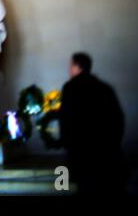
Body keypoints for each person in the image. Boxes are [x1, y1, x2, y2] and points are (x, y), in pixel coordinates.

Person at [59, 53, 129, 195]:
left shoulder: (70, 87)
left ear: (77, 66)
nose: (69, 69)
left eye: (70, 65)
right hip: (107, 153)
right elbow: (118, 118)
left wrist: (68, 145)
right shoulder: (105, 88)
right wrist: (113, 143)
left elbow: (66, 120)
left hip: (83, 154)